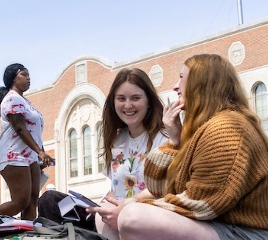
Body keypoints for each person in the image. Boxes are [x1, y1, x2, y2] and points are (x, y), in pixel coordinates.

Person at [89, 54, 268, 240]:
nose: (175, 87)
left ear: (201, 83)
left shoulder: (227, 129)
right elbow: (158, 186)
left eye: (181, 78)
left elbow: (202, 203)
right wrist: (175, 139)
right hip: (218, 231)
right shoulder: (205, 128)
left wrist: (129, 208)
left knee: (131, 216)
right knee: (110, 217)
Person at [38, 68, 170, 228]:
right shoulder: (117, 139)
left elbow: (164, 188)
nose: (128, 105)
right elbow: (115, 189)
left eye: (135, 98)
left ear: (148, 101)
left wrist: (125, 208)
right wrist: (98, 208)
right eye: (121, 98)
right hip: (111, 215)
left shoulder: (165, 137)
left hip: (142, 218)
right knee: (51, 200)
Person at [0, 63, 53, 219]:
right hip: (13, 155)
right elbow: (20, 128)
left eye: (29, 75)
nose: (28, 78)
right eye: (24, 74)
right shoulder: (12, 99)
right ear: (14, 78)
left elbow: (35, 131)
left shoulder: (24, 101)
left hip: (29, 156)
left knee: (33, 200)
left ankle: (27, 237)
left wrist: (42, 153)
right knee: (21, 201)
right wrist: (39, 151)